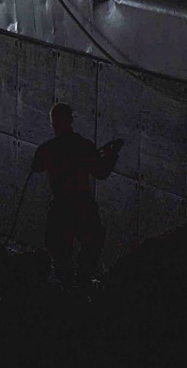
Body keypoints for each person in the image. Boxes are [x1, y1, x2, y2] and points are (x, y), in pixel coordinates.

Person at [31, 103, 122, 282]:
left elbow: (36, 166)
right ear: (71, 120)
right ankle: (82, 281)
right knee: (93, 242)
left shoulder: (48, 148)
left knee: (60, 254)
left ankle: (66, 285)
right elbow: (101, 173)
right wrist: (111, 155)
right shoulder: (84, 146)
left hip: (60, 207)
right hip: (82, 205)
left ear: (53, 123)